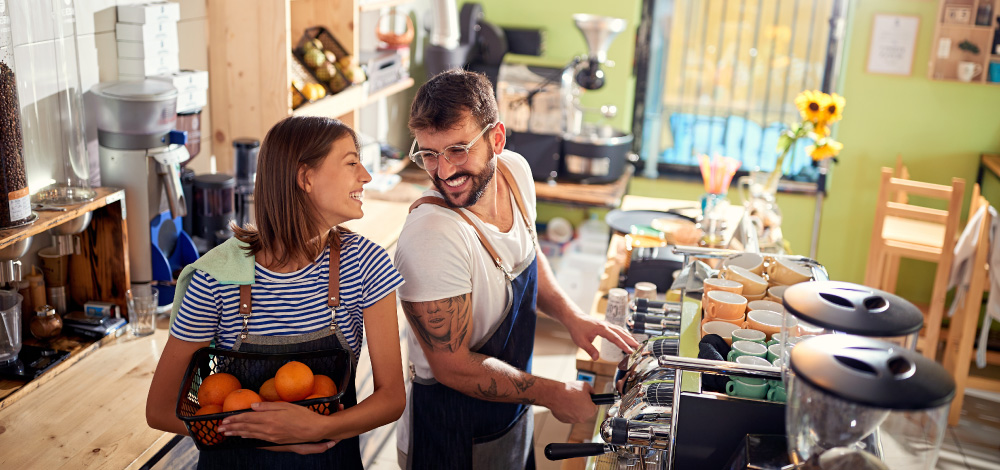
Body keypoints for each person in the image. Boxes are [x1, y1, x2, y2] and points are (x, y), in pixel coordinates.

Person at [393, 69, 639, 469]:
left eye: (458, 150)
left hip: (511, 408)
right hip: (447, 436)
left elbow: (527, 254)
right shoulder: (434, 235)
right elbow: (451, 366)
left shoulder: (515, 172)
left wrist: (571, 316)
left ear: (497, 139)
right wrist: (553, 394)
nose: (443, 172)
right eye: (429, 154)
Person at [146, 116, 405, 469]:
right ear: (305, 177)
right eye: (351, 162)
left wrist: (321, 428)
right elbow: (160, 410)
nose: (366, 175)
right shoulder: (216, 278)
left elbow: (392, 397)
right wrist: (277, 442)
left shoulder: (366, 264)